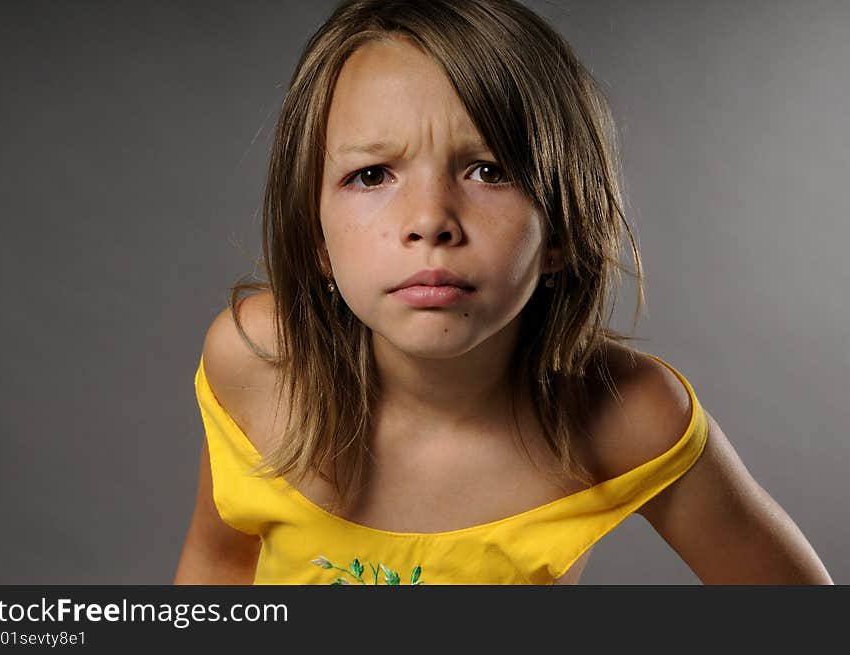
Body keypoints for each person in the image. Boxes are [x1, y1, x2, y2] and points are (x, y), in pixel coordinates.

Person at [173, 0, 833, 585]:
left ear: (562, 229)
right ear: (315, 237)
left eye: (489, 170)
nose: (430, 218)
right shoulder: (257, 361)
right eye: (372, 174)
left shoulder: (627, 413)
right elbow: (219, 565)